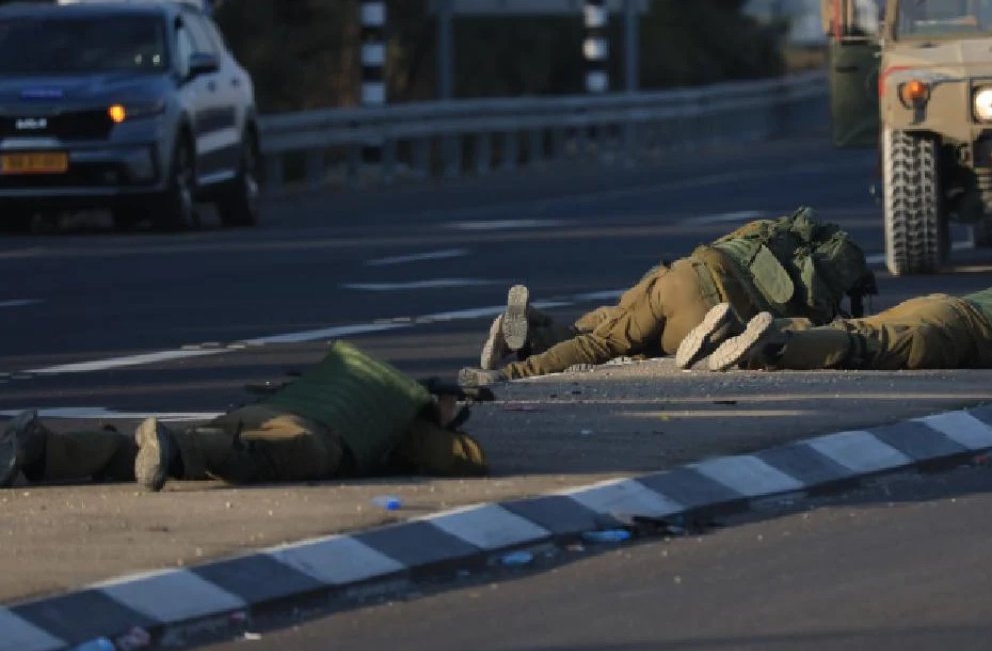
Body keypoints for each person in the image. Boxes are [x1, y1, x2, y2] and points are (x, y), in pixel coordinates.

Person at [459, 207, 879, 386]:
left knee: (611, 329)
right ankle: (519, 360)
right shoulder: (816, 294)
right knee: (628, 343)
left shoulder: (775, 233)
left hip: (684, 276)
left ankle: (529, 335)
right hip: (711, 315)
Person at [0, 341, 487, 491]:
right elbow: (467, 460)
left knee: (134, 452)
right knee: (249, 457)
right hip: (312, 435)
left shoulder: (336, 381)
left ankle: (44, 449)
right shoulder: (396, 420)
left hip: (263, 408)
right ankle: (170, 447)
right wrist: (436, 419)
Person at [696, 262, 992, 373]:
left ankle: (740, 330)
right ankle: (773, 349)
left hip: (937, 304)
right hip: (955, 331)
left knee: (856, 329)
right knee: (867, 347)